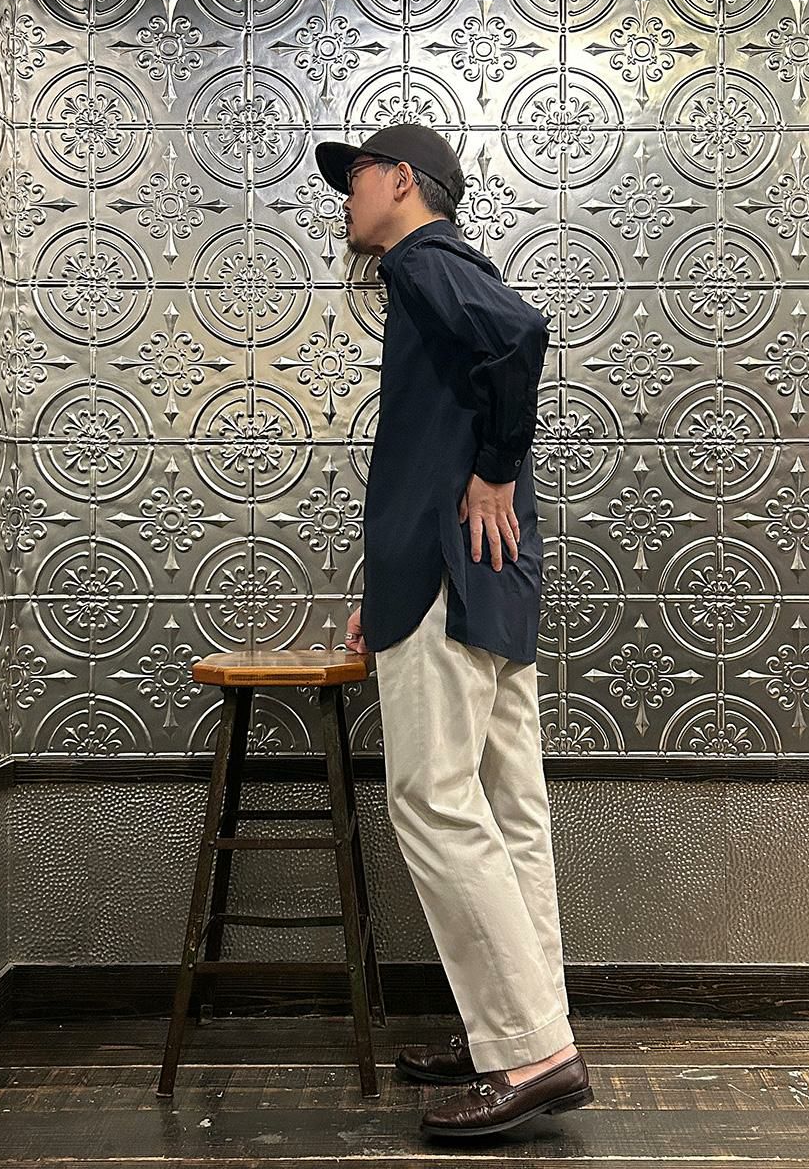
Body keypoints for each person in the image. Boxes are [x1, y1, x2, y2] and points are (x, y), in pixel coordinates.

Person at [314, 123, 592, 1139]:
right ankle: (520, 1035)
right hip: (479, 577)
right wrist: (387, 579)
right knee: (510, 808)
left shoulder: (422, 258)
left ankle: (532, 1054)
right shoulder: (439, 268)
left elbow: (518, 333)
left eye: (356, 177)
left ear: (402, 180)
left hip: (448, 569)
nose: (346, 198)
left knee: (434, 800)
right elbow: (445, 435)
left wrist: (495, 472)